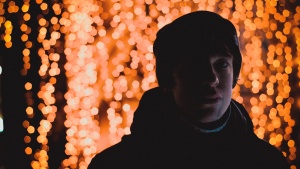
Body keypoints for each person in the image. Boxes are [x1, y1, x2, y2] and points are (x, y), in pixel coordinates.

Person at [88, 11, 289, 169]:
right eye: (195, 66)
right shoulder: (117, 165)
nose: (211, 79)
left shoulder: (267, 163)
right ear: (168, 79)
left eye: (222, 64)